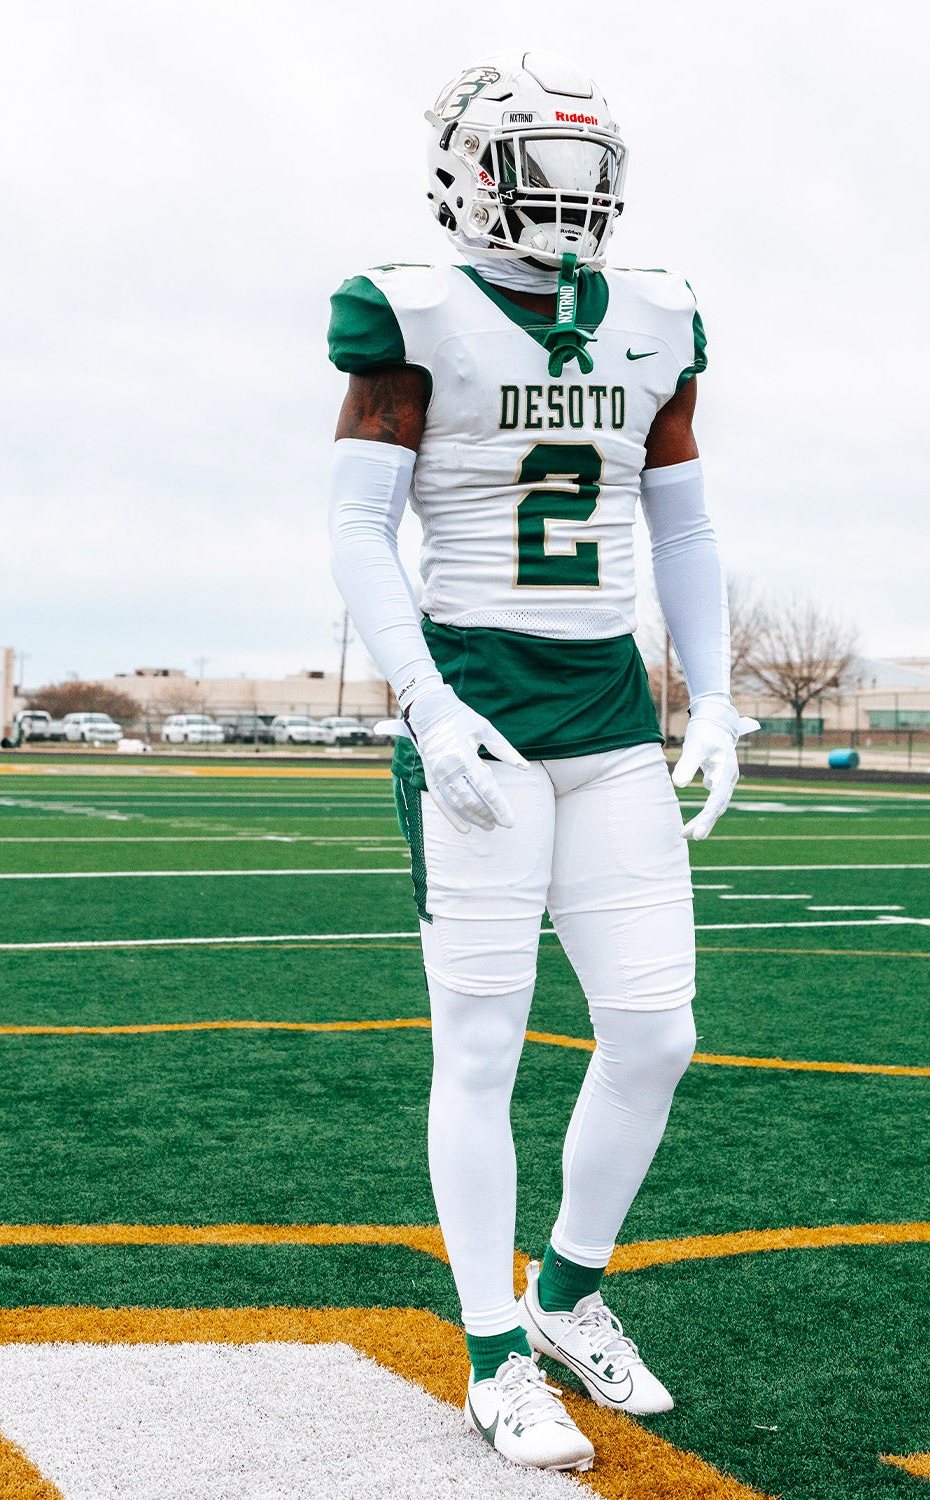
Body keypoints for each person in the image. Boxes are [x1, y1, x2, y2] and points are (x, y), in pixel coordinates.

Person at [326, 49, 756, 1474]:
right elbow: (354, 529)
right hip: (484, 712)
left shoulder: (659, 315)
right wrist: (429, 704)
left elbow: (680, 527)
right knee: (484, 1049)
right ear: (467, 172)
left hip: (610, 717)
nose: (568, 204)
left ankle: (567, 1296)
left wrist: (716, 697)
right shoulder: (411, 310)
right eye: (539, 171)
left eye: (589, 177)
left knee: (657, 1034)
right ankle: (494, 1352)